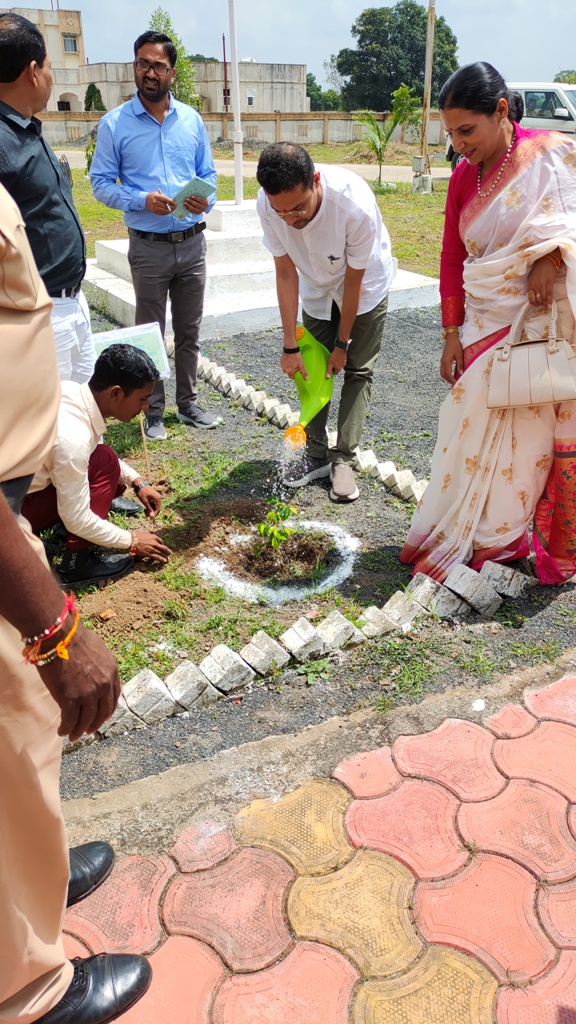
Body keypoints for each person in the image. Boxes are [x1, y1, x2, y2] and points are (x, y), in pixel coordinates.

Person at [0, 181, 151, 1024]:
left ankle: (41, 875)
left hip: (13, 516)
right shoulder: (66, 428)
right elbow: (88, 510)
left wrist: (134, 482)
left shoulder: (80, 407)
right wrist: (59, 626)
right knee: (11, 733)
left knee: (21, 734)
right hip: (14, 526)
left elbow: (104, 463)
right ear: (119, 396)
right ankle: (27, 985)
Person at [400, 62, 576, 584]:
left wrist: (556, 256)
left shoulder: (552, 154)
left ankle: (507, 540)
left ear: (501, 111)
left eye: (466, 131)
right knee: (463, 425)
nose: (457, 143)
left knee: (529, 442)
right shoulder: (461, 175)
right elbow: (452, 255)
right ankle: (471, 534)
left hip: (542, 329)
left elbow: (569, 222)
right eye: (450, 133)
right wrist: (450, 334)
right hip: (483, 324)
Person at [90, 30, 221, 441]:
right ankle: (154, 410)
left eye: (158, 65)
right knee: (150, 331)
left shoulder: (192, 121)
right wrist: (141, 199)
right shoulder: (114, 125)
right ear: (135, 67)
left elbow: (210, 178)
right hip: (149, 247)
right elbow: (100, 184)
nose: (150, 72)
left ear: (172, 72)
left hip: (192, 241)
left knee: (189, 329)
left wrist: (206, 200)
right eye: (143, 64)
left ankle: (189, 403)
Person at [256, 142, 393, 502]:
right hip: (315, 285)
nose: (290, 219)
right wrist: (290, 345)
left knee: (357, 370)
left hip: (362, 287)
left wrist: (342, 345)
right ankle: (315, 453)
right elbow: (285, 274)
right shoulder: (269, 205)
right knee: (312, 367)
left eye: (298, 208)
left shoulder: (353, 206)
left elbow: (353, 281)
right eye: (280, 211)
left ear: (315, 180)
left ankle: (344, 459)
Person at [23, 344, 172, 588]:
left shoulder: (71, 391)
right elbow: (77, 519)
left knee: (104, 459)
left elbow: (89, 453)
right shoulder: (73, 436)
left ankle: (39, 534)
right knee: (104, 464)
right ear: (115, 393)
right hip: (8, 513)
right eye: (142, 398)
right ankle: (77, 565)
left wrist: (138, 482)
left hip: (19, 494)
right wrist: (133, 540)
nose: (145, 407)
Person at [0, 12, 96, 384]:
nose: (51, 76)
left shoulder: (25, 127)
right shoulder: (5, 143)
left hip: (71, 301)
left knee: (81, 417)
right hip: (37, 315)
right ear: (33, 71)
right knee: (52, 429)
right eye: (50, 65)